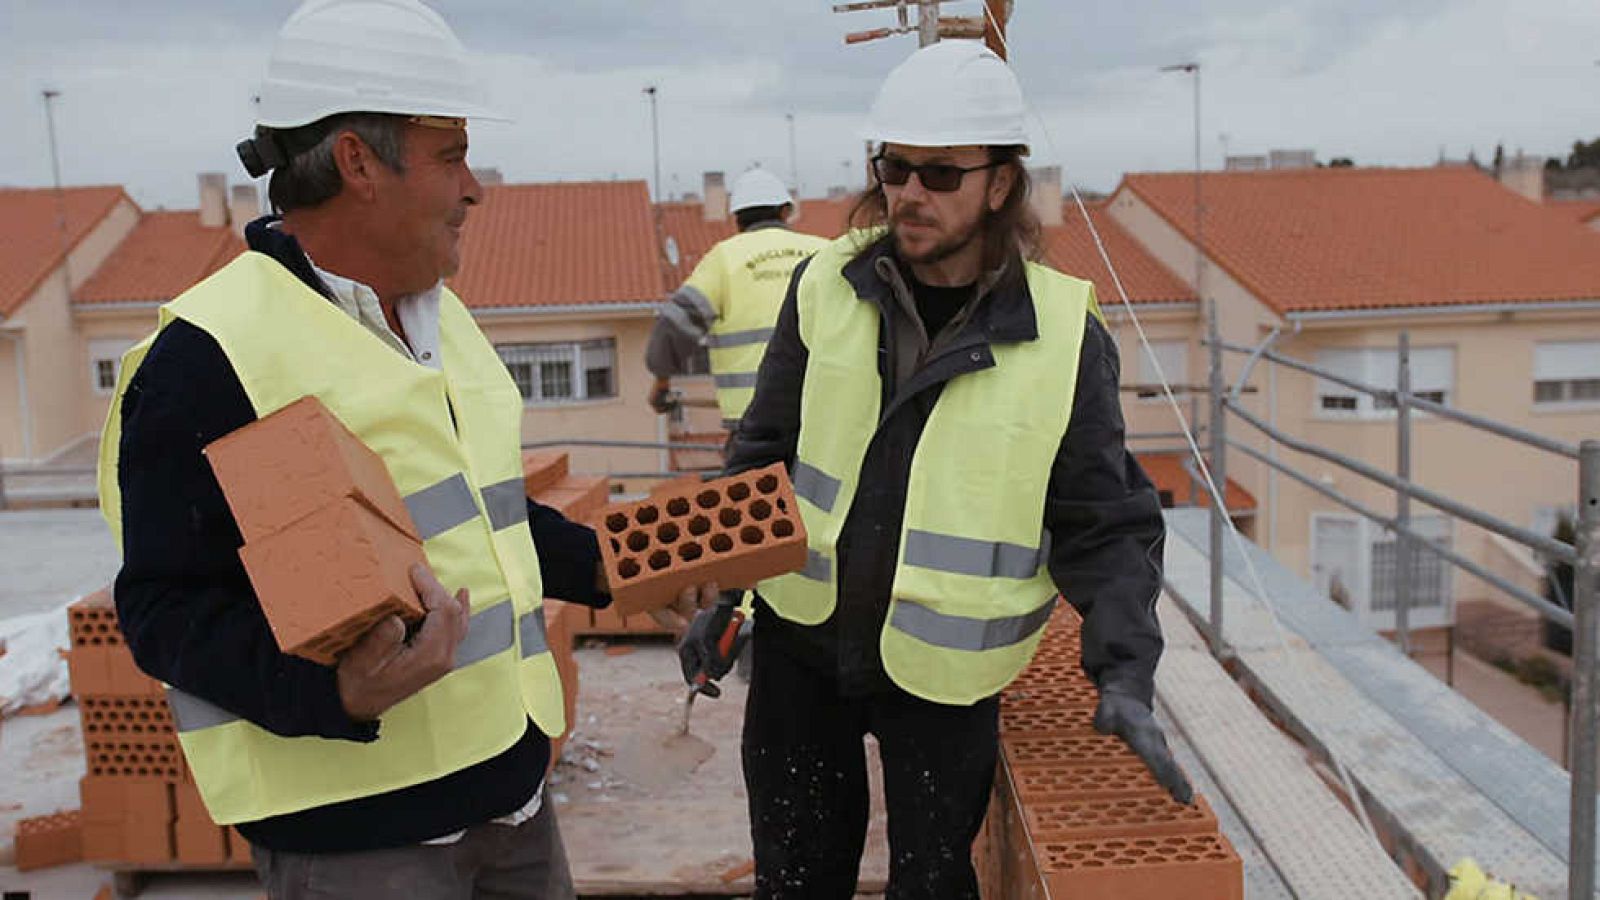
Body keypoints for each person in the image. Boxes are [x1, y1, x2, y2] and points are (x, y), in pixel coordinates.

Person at [97, 2, 708, 897]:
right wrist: (332, 693)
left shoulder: (439, 317)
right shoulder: (209, 357)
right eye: (452, 154)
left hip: (511, 794)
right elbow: (164, 608)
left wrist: (622, 566)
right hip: (361, 839)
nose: (475, 188)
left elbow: (487, 523)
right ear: (357, 163)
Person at [677, 40, 1191, 898]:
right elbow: (760, 458)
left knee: (933, 884)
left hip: (944, 683)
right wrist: (727, 596)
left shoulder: (1063, 334)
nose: (909, 193)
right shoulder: (823, 288)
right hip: (802, 654)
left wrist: (1127, 670)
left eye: (941, 174)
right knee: (795, 882)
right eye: (894, 168)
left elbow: (1103, 523)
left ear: (1000, 183)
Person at [644, 167, 829, 436]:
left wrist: (661, 382)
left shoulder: (724, 259)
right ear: (785, 212)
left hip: (754, 423)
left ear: (737, 220)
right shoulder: (824, 252)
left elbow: (673, 329)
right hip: (824, 415)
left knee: (755, 480)